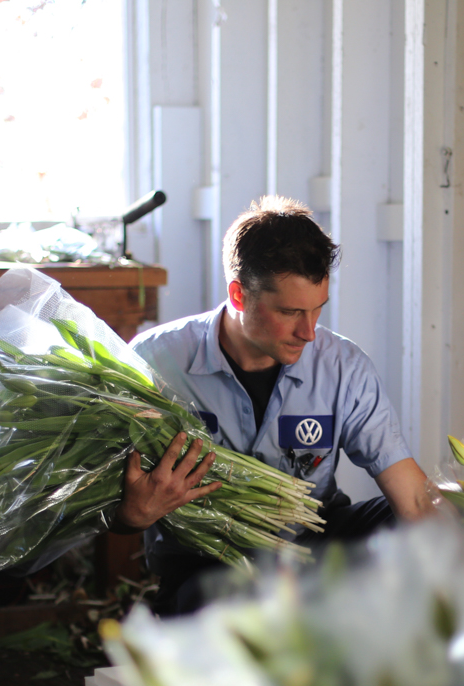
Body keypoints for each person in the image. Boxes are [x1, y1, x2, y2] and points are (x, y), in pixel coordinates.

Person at [112, 195, 433, 615]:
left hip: (313, 546)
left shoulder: (344, 367)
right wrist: (133, 515)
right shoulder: (153, 363)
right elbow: (114, 511)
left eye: (318, 310)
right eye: (290, 312)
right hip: (211, 564)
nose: (309, 332)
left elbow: (412, 497)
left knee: (421, 526)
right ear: (239, 295)